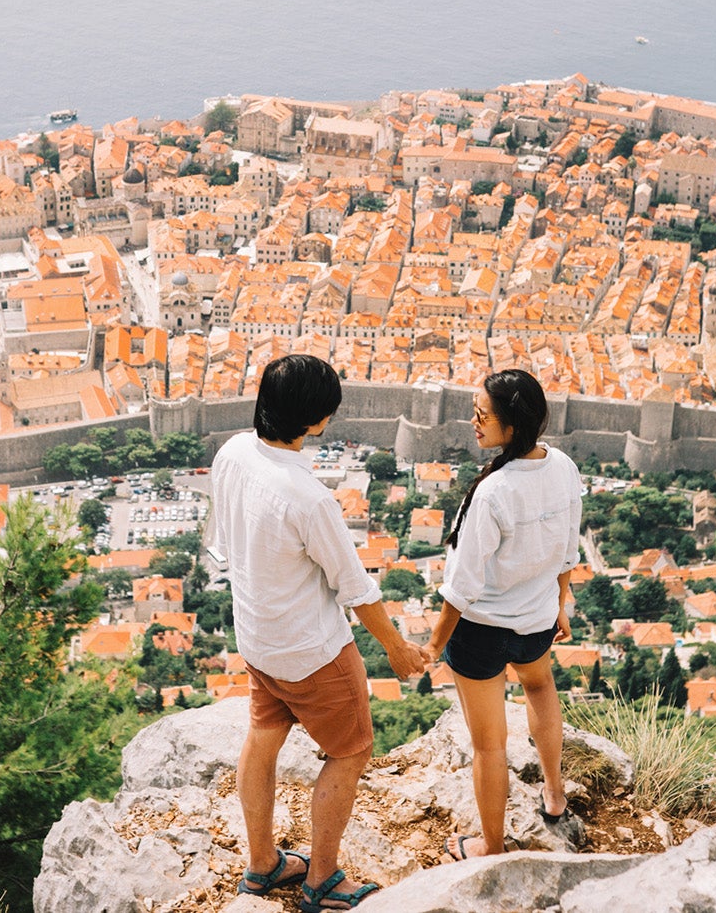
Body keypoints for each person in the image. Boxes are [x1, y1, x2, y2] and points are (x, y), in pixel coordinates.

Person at [212, 354, 428, 911]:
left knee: (263, 737)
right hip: (312, 651)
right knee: (351, 752)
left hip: (257, 638)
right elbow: (356, 590)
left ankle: (262, 865)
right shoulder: (308, 498)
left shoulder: (232, 452)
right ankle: (322, 880)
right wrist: (398, 649)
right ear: (316, 420)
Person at [424, 368, 585, 861]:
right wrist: (560, 606)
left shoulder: (493, 493)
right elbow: (566, 552)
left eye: (482, 416)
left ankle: (490, 848)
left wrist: (432, 647)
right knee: (540, 688)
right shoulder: (562, 467)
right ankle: (555, 796)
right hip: (536, 620)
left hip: (480, 633)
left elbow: (463, 588)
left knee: (490, 746)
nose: (473, 423)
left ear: (511, 425)